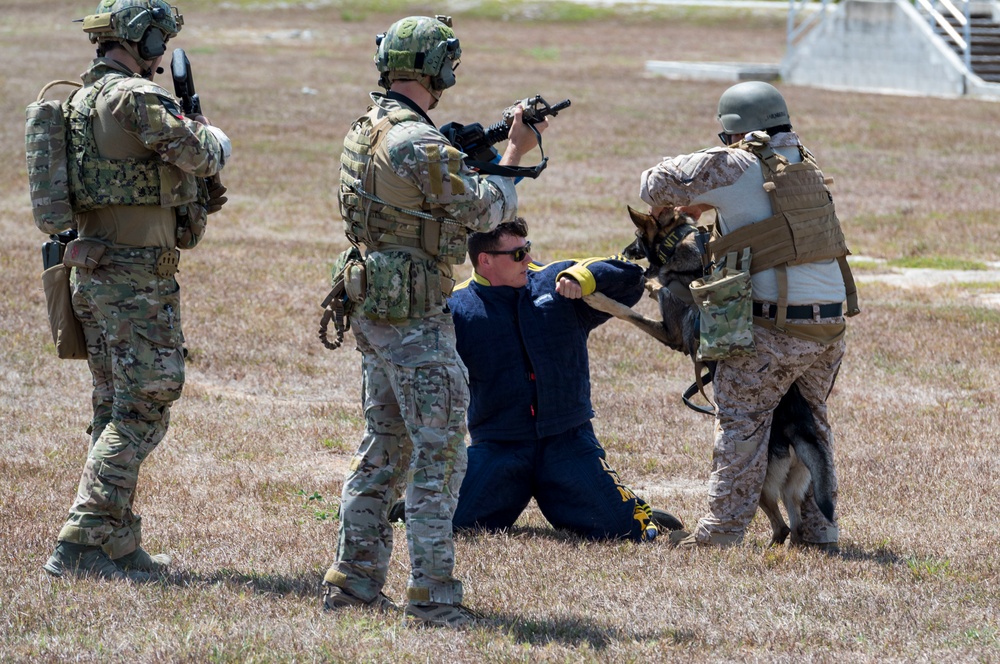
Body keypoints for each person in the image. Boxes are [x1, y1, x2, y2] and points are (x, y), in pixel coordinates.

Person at [321, 15, 545, 628]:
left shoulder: (367, 127)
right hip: (413, 315)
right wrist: (515, 152)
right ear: (437, 69)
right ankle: (434, 595)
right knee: (439, 456)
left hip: (375, 304)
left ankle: (356, 580)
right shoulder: (417, 143)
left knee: (383, 447)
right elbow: (485, 211)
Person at [41, 0, 230, 581]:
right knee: (148, 400)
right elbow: (199, 152)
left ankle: (117, 542)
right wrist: (214, 137)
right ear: (142, 37)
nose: (162, 50)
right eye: (160, 38)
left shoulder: (81, 97)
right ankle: (81, 534)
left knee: (113, 406)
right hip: (133, 278)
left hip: (95, 269)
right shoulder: (135, 97)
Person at [639, 81, 857, 549]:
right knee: (812, 422)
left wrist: (698, 188)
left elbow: (652, 184)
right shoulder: (804, 160)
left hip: (773, 326)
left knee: (741, 425)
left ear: (734, 133)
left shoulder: (737, 161)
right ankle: (819, 532)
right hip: (828, 328)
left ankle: (720, 533)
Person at [446, 218, 684, 541]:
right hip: (499, 448)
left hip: (567, 442)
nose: (528, 259)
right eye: (517, 255)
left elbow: (631, 279)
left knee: (622, 528)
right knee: (447, 521)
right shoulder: (457, 307)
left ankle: (626, 506)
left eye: (527, 249)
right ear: (484, 260)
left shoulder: (554, 282)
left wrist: (585, 278)